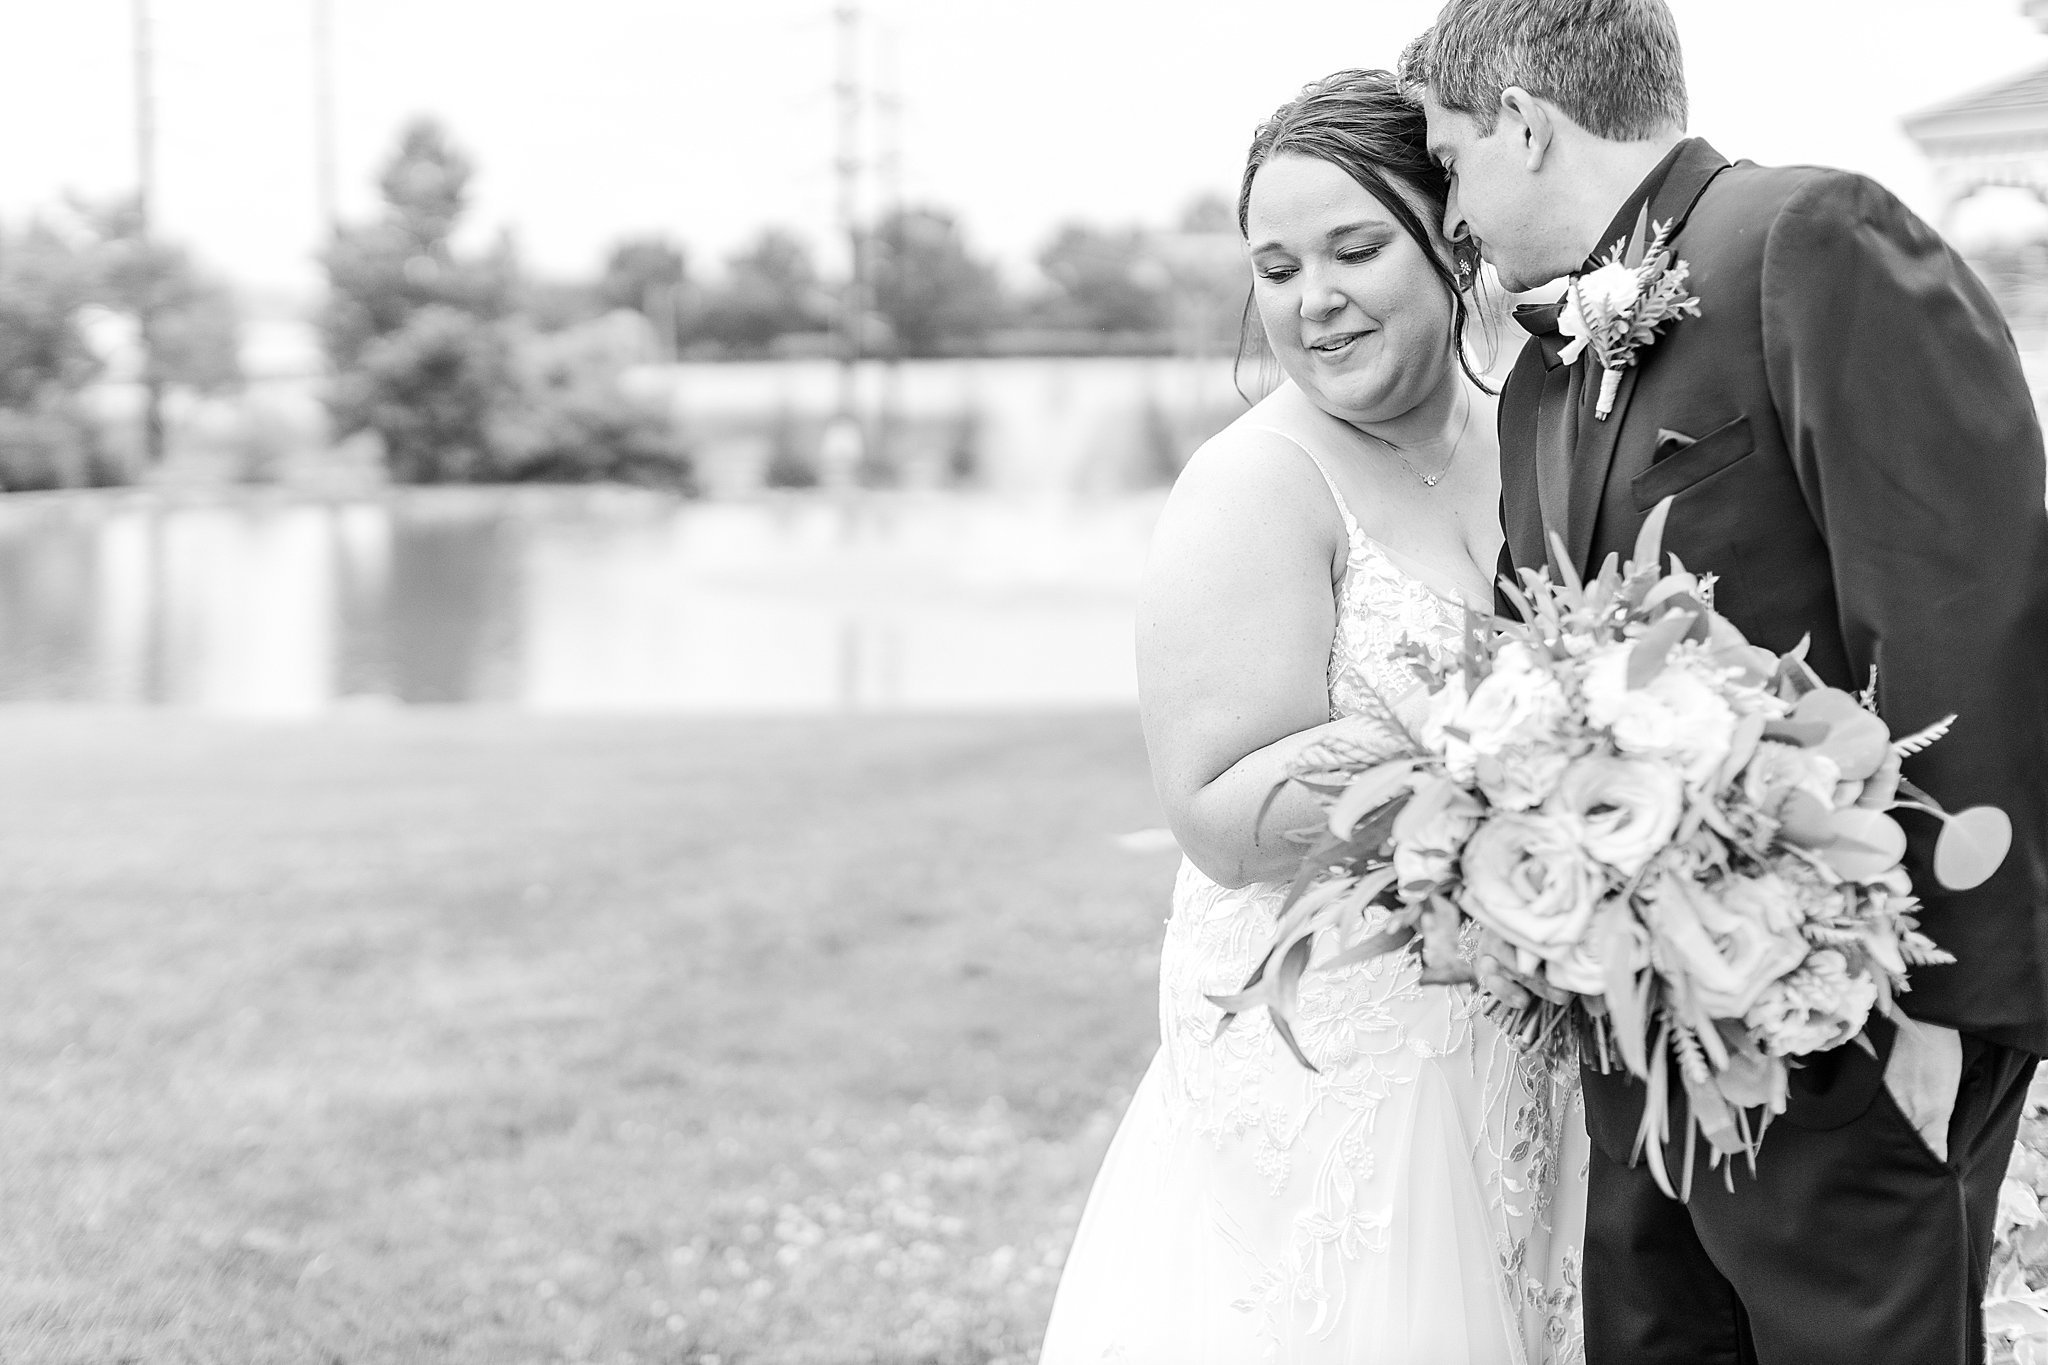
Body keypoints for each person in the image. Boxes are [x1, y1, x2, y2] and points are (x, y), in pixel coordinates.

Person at [1402, 2, 2048, 1361]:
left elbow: (1963, 615)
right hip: (1643, 1044)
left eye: (1451, 159)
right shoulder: (1541, 379)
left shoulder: (1814, 240)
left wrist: (1952, 1015)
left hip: (1858, 1035)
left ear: (1524, 122)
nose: (1453, 209)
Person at [1038, 70, 1586, 1365]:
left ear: (1454, 239)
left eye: (1354, 248)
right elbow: (1222, 808)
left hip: (1533, 1033)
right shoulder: (1252, 489)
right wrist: (1492, 767)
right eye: (1275, 267)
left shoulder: (1541, 431)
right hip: (1340, 1068)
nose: (1312, 298)